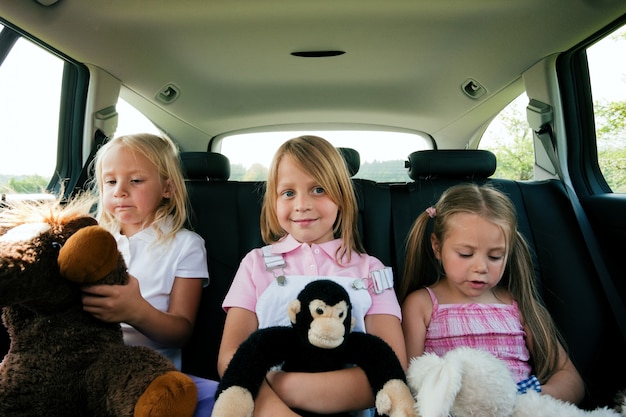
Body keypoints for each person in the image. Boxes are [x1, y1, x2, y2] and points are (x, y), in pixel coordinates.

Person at [218, 135, 407, 417]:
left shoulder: (370, 269)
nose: (302, 204)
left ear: (341, 195)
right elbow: (230, 356)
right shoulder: (255, 264)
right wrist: (275, 410)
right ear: (273, 201)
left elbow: (391, 367)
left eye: (318, 189)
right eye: (288, 193)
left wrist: (281, 384)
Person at [397, 182, 585, 404]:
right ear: (437, 247)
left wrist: (522, 401)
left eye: (495, 257)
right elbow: (410, 382)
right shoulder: (422, 305)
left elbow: (571, 381)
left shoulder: (517, 304)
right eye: (466, 254)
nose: (481, 267)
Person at [82, 133, 217, 415]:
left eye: (136, 180)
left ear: (167, 188)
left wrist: (136, 311)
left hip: (150, 373)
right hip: (86, 363)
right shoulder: (92, 239)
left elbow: (181, 332)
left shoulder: (185, 245)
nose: (119, 190)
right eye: (110, 182)